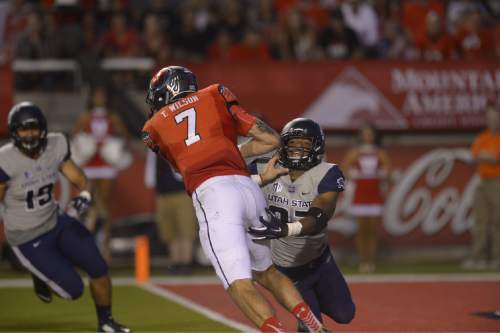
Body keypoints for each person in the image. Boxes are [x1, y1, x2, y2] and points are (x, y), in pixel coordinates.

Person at [142, 66, 328, 333]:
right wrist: (230, 151)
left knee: (238, 283)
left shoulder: (152, 128)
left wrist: (218, 152)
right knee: (268, 271)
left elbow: (186, 164)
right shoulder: (215, 93)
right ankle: (314, 326)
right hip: (247, 189)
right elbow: (270, 139)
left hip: (216, 196)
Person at [0, 102, 130, 333]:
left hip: (55, 221)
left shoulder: (55, 144)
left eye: (34, 128)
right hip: (27, 237)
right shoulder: (5, 160)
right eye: (23, 129)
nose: (29, 134)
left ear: (43, 129)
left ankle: (106, 322)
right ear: (14, 132)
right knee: (73, 291)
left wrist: (86, 194)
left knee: (98, 266)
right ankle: (39, 275)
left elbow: (80, 179)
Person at [248, 118, 356, 332]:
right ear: (283, 145)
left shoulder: (327, 172)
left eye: (305, 144)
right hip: (286, 271)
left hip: (320, 261)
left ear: (316, 147)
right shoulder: (264, 167)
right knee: (311, 327)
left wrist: (289, 229)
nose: (298, 149)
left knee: (345, 314)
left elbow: (322, 210)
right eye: (294, 143)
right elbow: (233, 187)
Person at [72, 86, 130, 262]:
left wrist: (111, 144)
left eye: (102, 95)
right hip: (89, 165)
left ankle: (105, 247)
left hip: (106, 165)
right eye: (97, 95)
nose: (99, 98)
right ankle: (84, 245)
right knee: (86, 204)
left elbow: (125, 135)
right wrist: (86, 144)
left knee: (104, 206)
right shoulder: (85, 117)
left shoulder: (112, 117)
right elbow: (74, 136)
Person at [342, 123, 391, 273]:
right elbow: (343, 169)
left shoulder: (380, 152)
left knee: (373, 230)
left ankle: (371, 261)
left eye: (369, 134)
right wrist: (353, 175)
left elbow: (388, 170)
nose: (367, 136)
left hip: (374, 192)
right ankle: (363, 261)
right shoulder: (355, 152)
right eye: (364, 134)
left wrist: (381, 175)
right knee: (362, 230)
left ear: (374, 136)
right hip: (360, 193)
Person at [144, 150, 197, 274]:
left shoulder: (177, 140)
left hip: (181, 191)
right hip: (162, 192)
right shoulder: (154, 143)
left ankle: (186, 262)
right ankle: (176, 262)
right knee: (169, 230)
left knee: (186, 228)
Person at [464, 104, 500, 269]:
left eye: (495, 117)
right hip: (482, 180)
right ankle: (478, 257)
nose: (492, 120)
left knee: (497, 220)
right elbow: (474, 155)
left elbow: (494, 159)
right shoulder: (483, 137)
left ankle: (496, 256)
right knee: (480, 220)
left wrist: (484, 156)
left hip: (497, 181)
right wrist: (486, 156)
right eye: (489, 117)